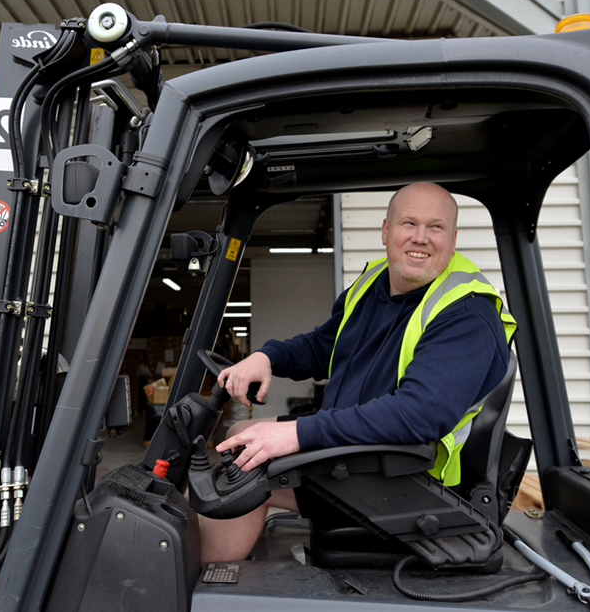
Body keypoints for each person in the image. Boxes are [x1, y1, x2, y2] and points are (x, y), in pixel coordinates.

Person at [199, 182, 517, 562]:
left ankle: (206, 581)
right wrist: (268, 358)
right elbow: (326, 345)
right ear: (386, 231)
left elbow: (419, 415)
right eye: (409, 223)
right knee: (241, 437)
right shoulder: (373, 284)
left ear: (452, 237)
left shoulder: (466, 312)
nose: (421, 238)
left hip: (405, 475)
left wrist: (299, 433)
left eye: (436, 227)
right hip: (359, 451)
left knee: (242, 468)